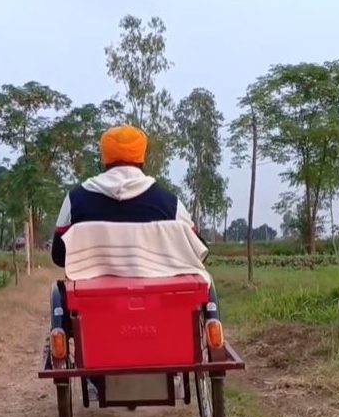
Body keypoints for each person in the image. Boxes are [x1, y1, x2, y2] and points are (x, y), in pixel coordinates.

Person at [48, 125, 219, 401]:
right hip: (162, 307)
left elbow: (59, 255)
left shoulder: (76, 199)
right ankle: (171, 365)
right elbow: (199, 250)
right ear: (141, 158)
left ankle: (96, 376)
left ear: (104, 159)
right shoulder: (169, 202)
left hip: (98, 308)